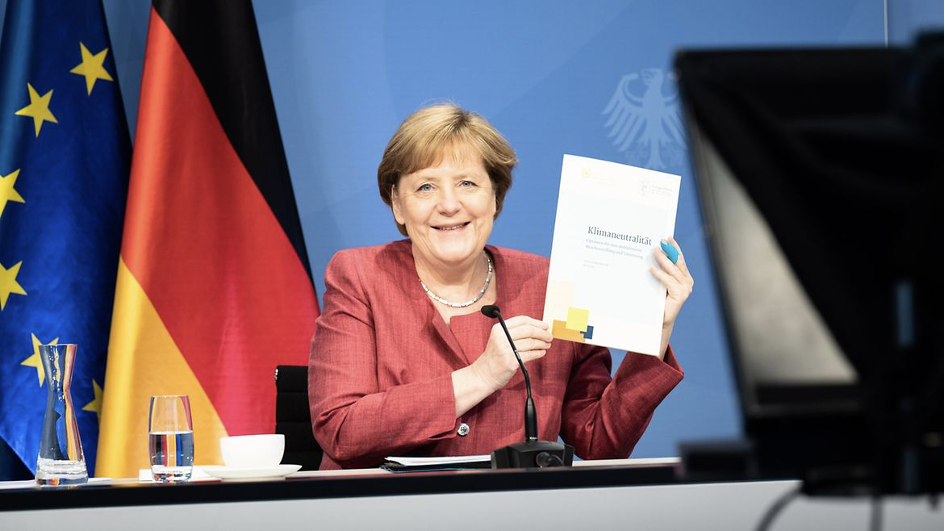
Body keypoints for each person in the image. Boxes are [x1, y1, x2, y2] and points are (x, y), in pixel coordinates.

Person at [308, 103, 693, 469]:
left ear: (496, 196)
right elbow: (341, 429)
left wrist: (656, 329)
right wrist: (481, 375)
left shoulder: (550, 287)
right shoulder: (359, 276)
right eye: (425, 187)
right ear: (397, 204)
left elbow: (600, 443)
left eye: (467, 183)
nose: (448, 204)